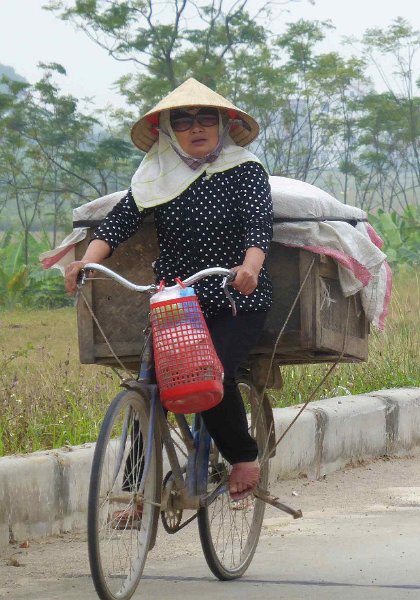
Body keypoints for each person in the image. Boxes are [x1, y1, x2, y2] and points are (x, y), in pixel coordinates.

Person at [65, 78, 272, 503]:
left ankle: (243, 456)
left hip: (236, 296)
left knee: (213, 376)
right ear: (167, 131)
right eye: (182, 121)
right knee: (153, 389)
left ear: (223, 124)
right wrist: (88, 260)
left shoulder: (246, 171)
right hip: (178, 301)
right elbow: (119, 222)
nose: (195, 128)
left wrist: (250, 267)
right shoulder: (158, 177)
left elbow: (258, 225)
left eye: (204, 119)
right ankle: (134, 491)